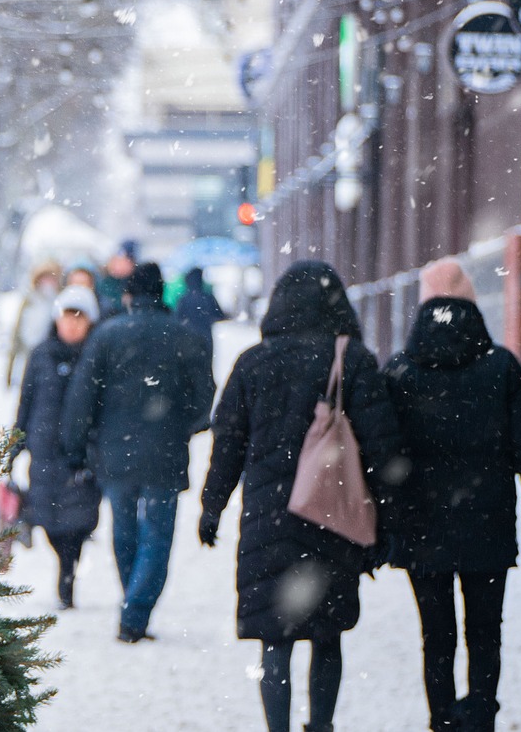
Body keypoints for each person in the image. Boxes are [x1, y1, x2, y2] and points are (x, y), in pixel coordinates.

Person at [198, 260, 401, 732]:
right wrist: (389, 522)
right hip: (334, 514)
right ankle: (322, 726)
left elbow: (227, 441)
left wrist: (213, 506)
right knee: (327, 635)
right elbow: (382, 447)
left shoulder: (253, 362)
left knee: (276, 639)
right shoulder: (351, 359)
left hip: (270, 520)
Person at [382, 259, 521, 732]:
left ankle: (442, 720)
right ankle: (481, 714)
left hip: (422, 525)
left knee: (437, 634)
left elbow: (384, 453)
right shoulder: (501, 366)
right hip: (487, 523)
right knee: (486, 631)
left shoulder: (401, 370)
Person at [60, 262, 215, 642]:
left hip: (115, 454)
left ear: (128, 295)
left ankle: (132, 602)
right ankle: (137, 609)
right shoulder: (184, 336)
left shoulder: (107, 336)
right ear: (161, 293)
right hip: (165, 453)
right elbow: (204, 398)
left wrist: (77, 446)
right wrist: (182, 427)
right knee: (158, 535)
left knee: (124, 530)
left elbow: (82, 397)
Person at [11, 284, 102, 610]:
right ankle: (65, 566)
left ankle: (68, 574)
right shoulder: (41, 354)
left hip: (81, 455)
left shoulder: (97, 355)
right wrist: (14, 445)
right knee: (48, 520)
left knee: (78, 523)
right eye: (67, 316)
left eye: (80, 317)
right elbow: (26, 402)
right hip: (44, 451)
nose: (72, 324)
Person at [6, 259, 62, 387]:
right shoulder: (29, 301)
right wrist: (9, 371)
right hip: (26, 356)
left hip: (49, 358)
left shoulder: (59, 302)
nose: (47, 283)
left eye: (51, 279)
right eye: (44, 278)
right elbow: (18, 332)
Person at [176, 266, 227, 352]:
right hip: (206, 338)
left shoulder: (183, 299)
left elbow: (177, 318)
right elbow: (220, 316)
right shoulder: (208, 297)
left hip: (188, 338)